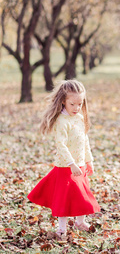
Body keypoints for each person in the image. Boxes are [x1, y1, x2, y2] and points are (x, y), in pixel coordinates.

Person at [28, 80, 100, 239]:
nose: (76, 108)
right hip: (65, 167)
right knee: (64, 198)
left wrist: (89, 161)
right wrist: (71, 164)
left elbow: (84, 140)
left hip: (79, 165)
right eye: (72, 104)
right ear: (63, 101)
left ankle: (80, 222)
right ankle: (61, 228)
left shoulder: (80, 118)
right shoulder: (62, 121)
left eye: (80, 104)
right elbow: (61, 145)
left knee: (81, 196)